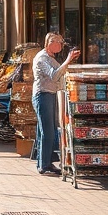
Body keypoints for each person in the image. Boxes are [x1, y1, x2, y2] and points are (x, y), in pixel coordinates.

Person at [31, 33, 81, 175]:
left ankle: (45, 162)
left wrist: (68, 62)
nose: (61, 45)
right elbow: (54, 75)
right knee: (48, 132)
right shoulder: (42, 58)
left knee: (47, 130)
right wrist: (68, 60)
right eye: (59, 42)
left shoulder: (50, 57)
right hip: (43, 95)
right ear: (51, 43)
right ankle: (44, 164)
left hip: (50, 94)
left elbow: (59, 74)